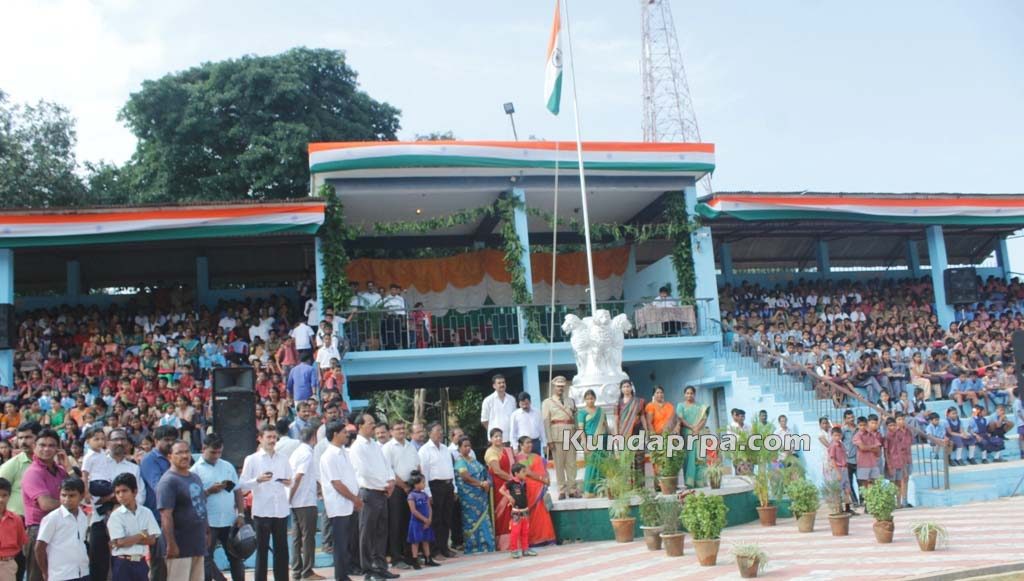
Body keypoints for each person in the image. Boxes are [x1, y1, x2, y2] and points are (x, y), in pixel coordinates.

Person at [83, 427, 144, 581]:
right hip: (100, 519)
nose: (119, 442)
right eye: (115, 439)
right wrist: (111, 499)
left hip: (126, 522)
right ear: (107, 442)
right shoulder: (97, 461)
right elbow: (89, 493)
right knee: (98, 566)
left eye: (123, 439)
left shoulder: (133, 468)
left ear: (128, 443)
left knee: (124, 566)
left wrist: (118, 503)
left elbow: (140, 495)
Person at [348, 412, 399, 581]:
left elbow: (386, 465)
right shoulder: (357, 447)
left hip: (382, 492)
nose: (373, 426)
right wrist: (384, 484)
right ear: (360, 426)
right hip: (369, 492)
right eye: (370, 423)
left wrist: (391, 480)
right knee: (367, 533)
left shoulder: (375, 445)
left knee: (381, 531)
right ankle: (368, 569)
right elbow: (364, 472)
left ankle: (380, 566)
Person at [239, 426, 293, 581]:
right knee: (262, 550)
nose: (272, 440)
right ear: (260, 438)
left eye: (274, 437)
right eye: (268, 437)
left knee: (282, 549)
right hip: (262, 510)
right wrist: (257, 480)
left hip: (280, 509)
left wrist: (287, 482)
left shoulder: (283, 458)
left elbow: (291, 479)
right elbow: (242, 485)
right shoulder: (252, 459)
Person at [189, 433, 245, 581]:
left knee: (236, 557)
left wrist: (240, 514)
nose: (216, 456)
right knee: (206, 559)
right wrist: (209, 491)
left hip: (229, 520)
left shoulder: (227, 466)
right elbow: (193, 500)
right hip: (209, 523)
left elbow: (237, 491)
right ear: (203, 448)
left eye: (219, 452)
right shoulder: (194, 471)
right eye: (213, 452)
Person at [157, 441, 207, 581]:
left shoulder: (195, 478)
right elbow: (165, 515)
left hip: (197, 543)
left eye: (187, 452)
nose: (184, 456)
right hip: (179, 546)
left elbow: (201, 505)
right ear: (170, 457)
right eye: (179, 453)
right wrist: (171, 544)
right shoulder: (168, 481)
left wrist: (206, 531)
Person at [319, 420, 362, 581]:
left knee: (350, 542)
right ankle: (340, 576)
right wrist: (354, 498)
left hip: (350, 503)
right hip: (339, 506)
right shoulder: (328, 456)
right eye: (344, 432)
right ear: (335, 434)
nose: (347, 435)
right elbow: (336, 483)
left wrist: (356, 498)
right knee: (341, 544)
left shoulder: (345, 452)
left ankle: (346, 573)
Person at [22, 428, 67, 581]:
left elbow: (80, 493)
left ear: (58, 448)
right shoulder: (33, 472)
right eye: (42, 445)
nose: (46, 449)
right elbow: (46, 504)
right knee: (39, 576)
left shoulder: (60, 471)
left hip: (60, 528)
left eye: (51, 445)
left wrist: (68, 467)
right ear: (34, 446)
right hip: (38, 530)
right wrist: (72, 503)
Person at [0, 421, 38, 581]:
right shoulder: (12, 465)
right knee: (18, 569)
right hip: (16, 524)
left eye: (28, 437)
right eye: (20, 438)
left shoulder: (48, 463)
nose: (23, 442)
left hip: (40, 523)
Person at [108, 472, 161, 581]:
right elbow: (120, 542)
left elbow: (152, 540)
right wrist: (142, 534)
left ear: (135, 492)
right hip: (122, 563)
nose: (121, 495)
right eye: (117, 492)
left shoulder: (146, 512)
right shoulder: (115, 516)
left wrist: (127, 540)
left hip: (141, 562)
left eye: (124, 491)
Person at [34, 477, 88, 581]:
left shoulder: (83, 517)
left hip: (82, 572)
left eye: (72, 496)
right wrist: (45, 572)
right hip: (60, 575)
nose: (67, 500)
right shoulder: (52, 518)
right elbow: (39, 548)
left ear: (81, 496)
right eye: (63, 495)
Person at [382, 421, 420, 570]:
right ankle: (396, 557)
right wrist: (403, 486)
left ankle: (409, 556)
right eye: (397, 429)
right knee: (396, 524)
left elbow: (417, 465)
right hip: (396, 489)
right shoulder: (388, 448)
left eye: (403, 428)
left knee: (409, 523)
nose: (401, 431)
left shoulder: (410, 446)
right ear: (391, 432)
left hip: (411, 488)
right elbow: (388, 470)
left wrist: (416, 484)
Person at [289, 424, 324, 581]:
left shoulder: (296, 453)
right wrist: (290, 496)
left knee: (297, 537)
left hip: (297, 501)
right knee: (308, 537)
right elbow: (298, 477)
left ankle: (297, 570)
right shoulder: (307, 453)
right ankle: (307, 571)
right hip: (305, 501)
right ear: (313, 438)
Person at [141, 425, 176, 581]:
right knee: (159, 560)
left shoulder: (175, 456)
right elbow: (158, 486)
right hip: (157, 516)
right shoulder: (149, 459)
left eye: (173, 440)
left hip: (175, 514)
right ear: (156, 441)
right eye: (166, 440)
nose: (170, 443)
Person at [418, 422, 455, 560]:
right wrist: (427, 492)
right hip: (435, 486)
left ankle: (444, 547)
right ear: (429, 433)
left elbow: (450, 469)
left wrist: (454, 487)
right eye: (437, 430)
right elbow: (424, 472)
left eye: (441, 430)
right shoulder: (424, 450)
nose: (440, 433)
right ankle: (435, 550)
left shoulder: (445, 448)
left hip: (448, 485)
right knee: (436, 519)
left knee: (446, 518)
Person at [453, 436, 494, 555]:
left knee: (484, 519)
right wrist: (481, 484)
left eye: (469, 446)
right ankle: (474, 546)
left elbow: (485, 472)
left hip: (481, 495)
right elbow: (465, 477)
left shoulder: (473, 460)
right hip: (469, 497)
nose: (468, 448)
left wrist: (487, 482)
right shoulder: (460, 462)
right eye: (465, 446)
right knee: (471, 520)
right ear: (459, 448)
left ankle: (487, 544)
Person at [513, 437, 556, 547]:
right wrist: (543, 479)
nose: (530, 445)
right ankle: (533, 540)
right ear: (521, 445)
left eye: (531, 443)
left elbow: (545, 470)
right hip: (528, 491)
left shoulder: (536, 457)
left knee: (543, 514)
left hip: (540, 490)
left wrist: (547, 479)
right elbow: (527, 473)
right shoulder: (518, 459)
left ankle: (547, 538)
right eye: (527, 443)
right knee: (531, 516)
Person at [542, 376, 579, 500]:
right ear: (554, 387)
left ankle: (572, 489)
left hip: (571, 435)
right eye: (558, 386)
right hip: (556, 436)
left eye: (562, 386)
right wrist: (549, 439)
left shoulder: (571, 401)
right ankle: (562, 490)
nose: (560, 388)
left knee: (571, 464)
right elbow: (546, 422)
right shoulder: (547, 402)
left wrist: (577, 435)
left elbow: (576, 419)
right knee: (559, 465)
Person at [484, 428, 516, 551]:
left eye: (500, 436)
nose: (498, 438)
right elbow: (497, 471)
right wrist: (512, 479)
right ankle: (504, 543)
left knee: (512, 511)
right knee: (503, 514)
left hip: (510, 483)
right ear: (490, 439)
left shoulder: (506, 450)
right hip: (499, 486)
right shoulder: (490, 452)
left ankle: (514, 540)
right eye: (495, 436)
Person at [497, 463, 534, 559]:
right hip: (516, 511)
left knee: (525, 531)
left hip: (525, 511)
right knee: (515, 531)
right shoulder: (511, 482)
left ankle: (525, 549)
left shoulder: (524, 483)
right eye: (523, 472)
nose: (525, 474)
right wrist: (509, 497)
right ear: (516, 473)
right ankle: (514, 550)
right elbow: (501, 490)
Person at [616, 379, 648, 484]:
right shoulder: (618, 403)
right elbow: (616, 420)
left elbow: (642, 416)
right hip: (624, 435)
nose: (626, 389)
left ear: (631, 388)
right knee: (626, 461)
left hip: (638, 433)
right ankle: (628, 486)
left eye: (628, 386)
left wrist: (647, 431)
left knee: (639, 459)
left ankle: (640, 486)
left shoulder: (639, 402)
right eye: (624, 387)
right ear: (621, 389)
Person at [405, 471, 439, 568]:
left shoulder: (424, 495)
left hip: (426, 521)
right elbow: (413, 510)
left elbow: (429, 507)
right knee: (415, 541)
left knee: (426, 540)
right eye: (422, 482)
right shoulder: (411, 496)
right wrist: (424, 519)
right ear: (416, 484)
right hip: (416, 522)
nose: (424, 484)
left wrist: (429, 519)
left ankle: (428, 558)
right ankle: (414, 560)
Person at [575, 390, 606, 497]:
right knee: (591, 466)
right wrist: (584, 443)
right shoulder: (582, 413)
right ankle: (589, 491)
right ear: (585, 400)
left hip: (602, 441)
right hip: (589, 441)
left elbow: (605, 426)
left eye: (591, 398)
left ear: (595, 399)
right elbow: (581, 429)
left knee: (601, 465)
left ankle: (601, 490)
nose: (590, 401)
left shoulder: (601, 411)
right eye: (587, 399)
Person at [677, 386, 708, 488]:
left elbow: (704, 419)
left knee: (700, 457)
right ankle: (689, 482)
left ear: (694, 394)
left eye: (691, 393)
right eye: (687, 393)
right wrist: (692, 427)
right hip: (686, 434)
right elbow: (680, 419)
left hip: (698, 433)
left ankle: (700, 481)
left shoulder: (701, 407)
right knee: (688, 458)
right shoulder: (680, 406)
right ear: (684, 394)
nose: (689, 395)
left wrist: (697, 429)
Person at [0, 477, 28, 580]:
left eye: (4, 495)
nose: (1, 499)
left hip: (8, 564)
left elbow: (21, 543)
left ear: (9, 496)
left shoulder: (16, 519)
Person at [853, 414, 883, 504]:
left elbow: (878, 449)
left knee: (874, 482)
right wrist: (872, 447)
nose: (862, 427)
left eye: (864, 425)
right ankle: (867, 503)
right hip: (863, 463)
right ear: (858, 426)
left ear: (867, 425)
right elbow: (862, 448)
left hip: (873, 463)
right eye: (860, 425)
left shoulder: (871, 435)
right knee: (864, 484)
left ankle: (874, 502)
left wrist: (868, 448)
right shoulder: (857, 436)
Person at [884, 414, 912, 508]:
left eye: (894, 425)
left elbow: (904, 446)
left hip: (902, 461)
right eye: (890, 425)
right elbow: (886, 452)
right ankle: (893, 502)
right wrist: (889, 464)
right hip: (892, 462)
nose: (893, 427)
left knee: (900, 481)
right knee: (892, 483)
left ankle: (900, 502)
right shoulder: (887, 437)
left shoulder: (901, 434)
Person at [480, 375, 516, 446]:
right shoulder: (488, 400)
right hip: (495, 441)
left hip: (510, 439)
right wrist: (494, 432)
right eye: (499, 383)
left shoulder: (512, 399)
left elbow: (515, 417)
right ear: (494, 386)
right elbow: (484, 421)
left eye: (503, 382)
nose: (502, 384)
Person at [509, 393, 545, 461]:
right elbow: (512, 432)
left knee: (537, 463)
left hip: (535, 443)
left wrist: (545, 444)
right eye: (522, 404)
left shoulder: (537, 412)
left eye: (526, 404)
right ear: (519, 404)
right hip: (523, 445)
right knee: (524, 465)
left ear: (530, 402)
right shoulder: (515, 415)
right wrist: (515, 447)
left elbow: (541, 429)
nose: (525, 406)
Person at [825, 427, 853, 513]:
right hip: (837, 469)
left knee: (847, 489)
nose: (837, 437)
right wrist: (837, 473)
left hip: (844, 468)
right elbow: (832, 459)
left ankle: (848, 508)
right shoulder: (833, 446)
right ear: (832, 436)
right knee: (838, 489)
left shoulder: (842, 445)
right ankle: (839, 509)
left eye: (839, 435)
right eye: (835, 435)